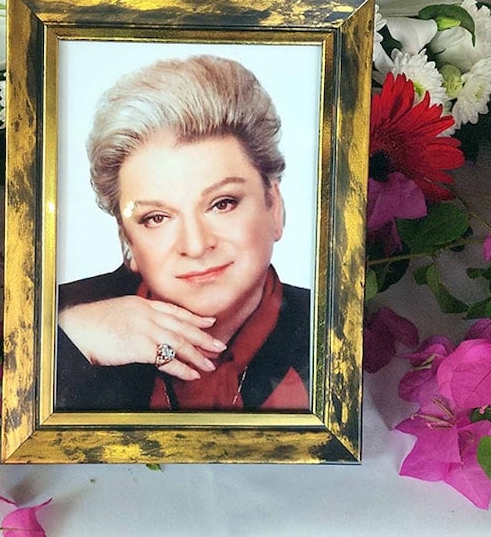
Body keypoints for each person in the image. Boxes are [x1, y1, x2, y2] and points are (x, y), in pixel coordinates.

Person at [55, 54, 311, 412]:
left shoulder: (333, 323)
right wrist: (68, 344)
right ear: (126, 238)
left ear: (275, 206)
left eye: (222, 203)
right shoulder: (59, 321)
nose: (195, 245)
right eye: (156, 217)